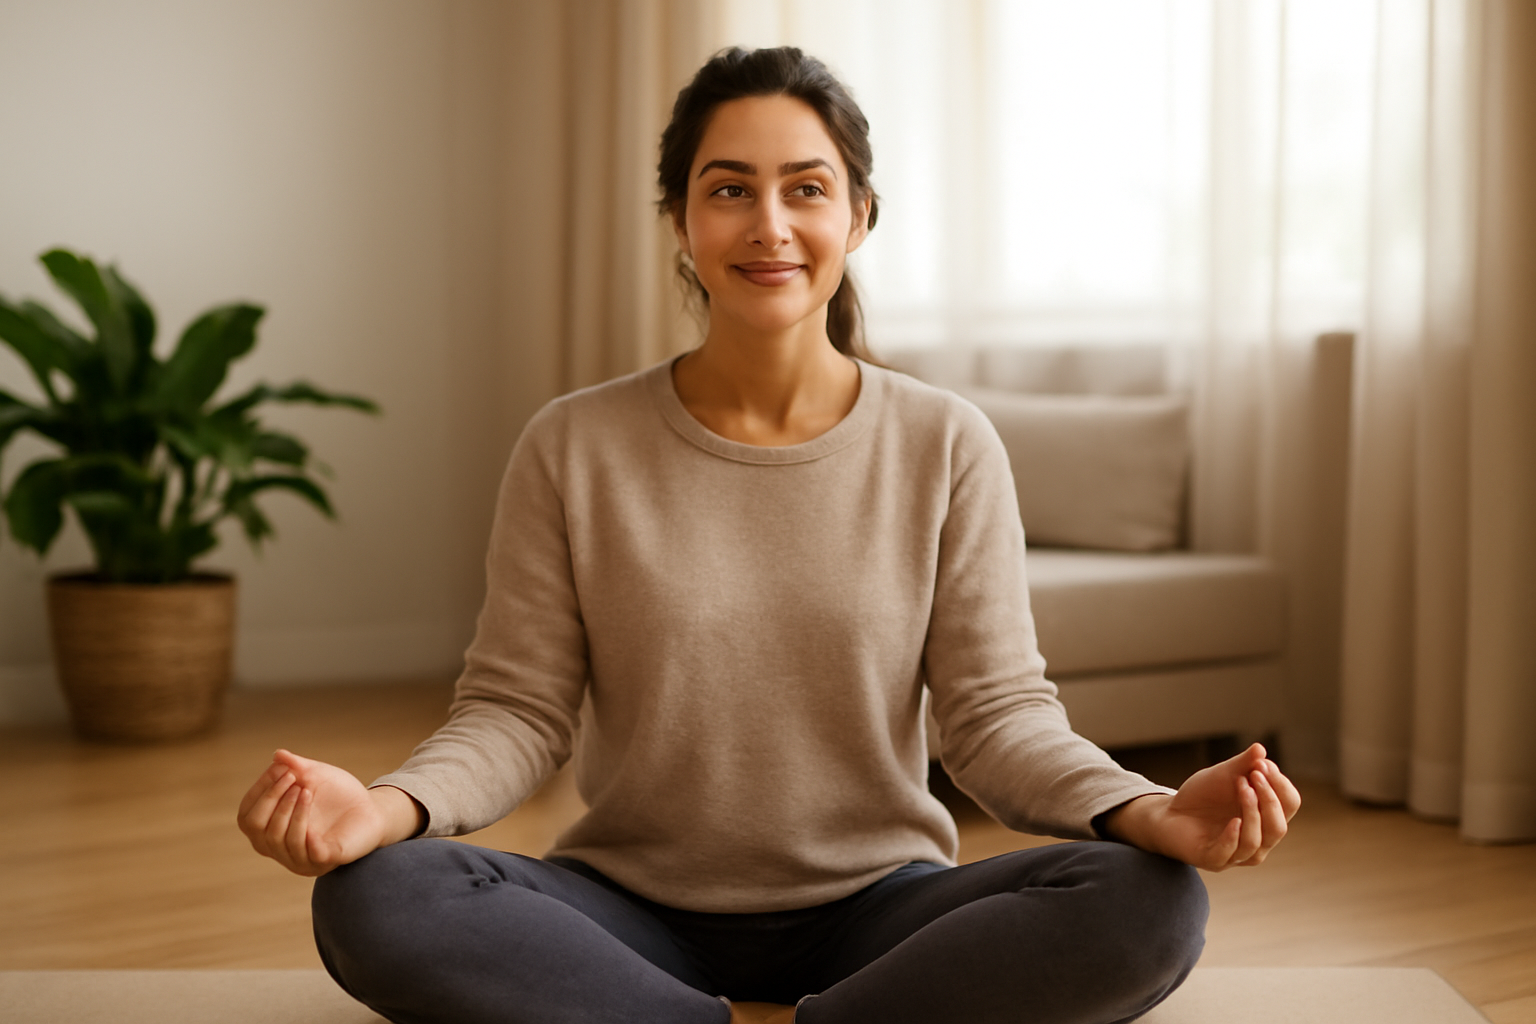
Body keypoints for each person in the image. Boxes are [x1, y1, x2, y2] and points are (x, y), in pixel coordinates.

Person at [237, 46, 1300, 1024]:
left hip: (882, 905)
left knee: (1148, 899)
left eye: (806, 189)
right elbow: (516, 711)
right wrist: (383, 808)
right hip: (628, 906)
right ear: (681, 220)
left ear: (860, 216)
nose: (770, 226)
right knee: (375, 894)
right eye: (729, 190)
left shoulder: (946, 443)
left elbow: (995, 719)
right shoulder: (572, 445)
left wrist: (1146, 809)